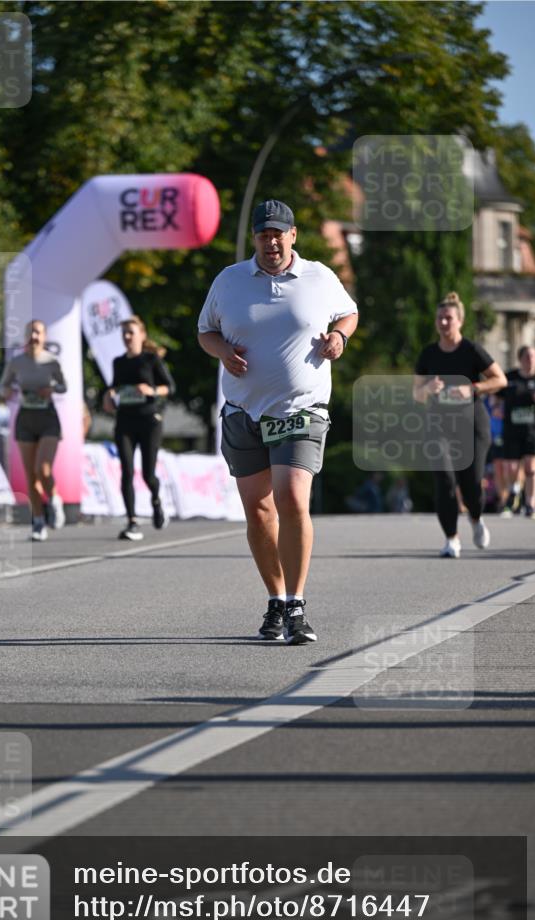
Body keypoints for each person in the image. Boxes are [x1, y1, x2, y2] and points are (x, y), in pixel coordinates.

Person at [198, 198, 358, 644]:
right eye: (262, 234)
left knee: (290, 498)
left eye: (278, 233)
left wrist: (340, 336)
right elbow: (205, 331)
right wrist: (221, 351)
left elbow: (350, 311)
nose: (270, 241)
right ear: (255, 237)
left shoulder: (319, 277)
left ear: (293, 235)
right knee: (259, 510)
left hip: (301, 408)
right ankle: (275, 598)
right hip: (243, 412)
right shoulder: (229, 281)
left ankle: (297, 604)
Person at [413, 292, 507, 558]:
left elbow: (500, 380)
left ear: (460, 321)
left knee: (471, 483)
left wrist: (473, 387)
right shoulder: (429, 354)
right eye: (440, 318)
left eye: (449, 318)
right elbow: (416, 394)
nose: (444, 322)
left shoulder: (472, 350)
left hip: (472, 424)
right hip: (439, 424)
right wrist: (428, 388)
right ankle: (451, 538)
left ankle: (476, 519)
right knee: (444, 479)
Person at [103, 315, 175, 541]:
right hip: (124, 421)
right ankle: (132, 521)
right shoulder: (118, 362)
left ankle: (156, 500)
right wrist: (109, 395)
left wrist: (151, 391)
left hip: (149, 421)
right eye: (123, 333)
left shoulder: (151, 359)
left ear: (141, 335)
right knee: (125, 470)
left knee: (147, 474)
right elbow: (114, 388)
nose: (126, 337)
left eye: (130, 332)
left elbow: (170, 387)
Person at [0, 319, 67, 541]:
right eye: (30, 333)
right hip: (26, 418)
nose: (34, 337)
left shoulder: (51, 362)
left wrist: (52, 388)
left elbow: (64, 385)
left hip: (47, 418)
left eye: (38, 333)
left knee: (43, 468)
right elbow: (3, 385)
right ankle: (38, 522)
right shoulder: (16, 362)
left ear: (44, 337)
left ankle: (55, 499)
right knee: (30, 475)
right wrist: (7, 390)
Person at [499, 345, 535, 519]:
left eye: (534, 357)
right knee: (511, 467)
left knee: (531, 468)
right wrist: (496, 406)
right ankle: (515, 492)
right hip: (512, 429)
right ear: (520, 359)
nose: (531, 360)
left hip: (534, 430)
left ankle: (531, 504)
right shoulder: (510, 378)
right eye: (527, 356)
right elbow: (495, 395)